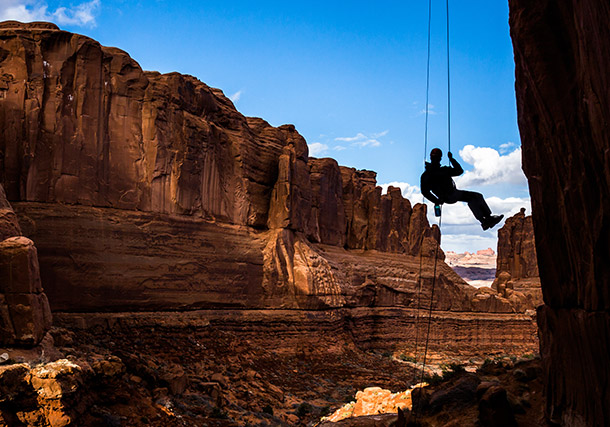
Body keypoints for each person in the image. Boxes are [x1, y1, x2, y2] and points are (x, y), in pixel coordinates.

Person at [420, 148, 503, 230]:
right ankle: (486, 220)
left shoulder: (427, 174)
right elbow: (459, 171)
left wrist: (437, 201)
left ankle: (485, 221)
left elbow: (425, 192)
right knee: (475, 197)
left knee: (474, 198)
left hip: (447, 196)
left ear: (431, 157)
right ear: (440, 158)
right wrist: (452, 159)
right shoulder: (443, 170)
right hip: (452, 194)